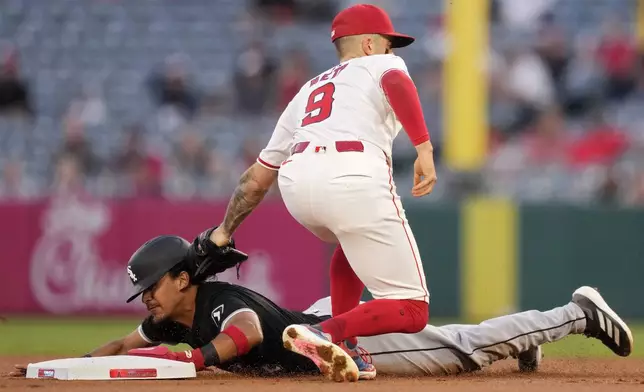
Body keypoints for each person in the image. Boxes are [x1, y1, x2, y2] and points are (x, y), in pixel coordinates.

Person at [192, 3, 438, 381]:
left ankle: (346, 344)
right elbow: (397, 83)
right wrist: (424, 146)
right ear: (370, 45)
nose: (393, 53)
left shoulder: (308, 90)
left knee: (349, 243)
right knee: (413, 309)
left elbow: (256, 179)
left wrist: (223, 232)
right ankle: (325, 332)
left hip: (298, 185)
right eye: (390, 45)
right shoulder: (380, 65)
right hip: (352, 176)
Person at [9, 235, 633, 379]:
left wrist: (196, 360)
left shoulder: (213, 304)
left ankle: (577, 309)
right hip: (307, 325)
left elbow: (249, 329)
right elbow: (122, 345)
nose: (146, 299)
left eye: (151, 285)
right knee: (458, 341)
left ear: (181, 278)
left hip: (334, 344)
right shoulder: (168, 313)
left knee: (462, 350)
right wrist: (60, 366)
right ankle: (525, 339)